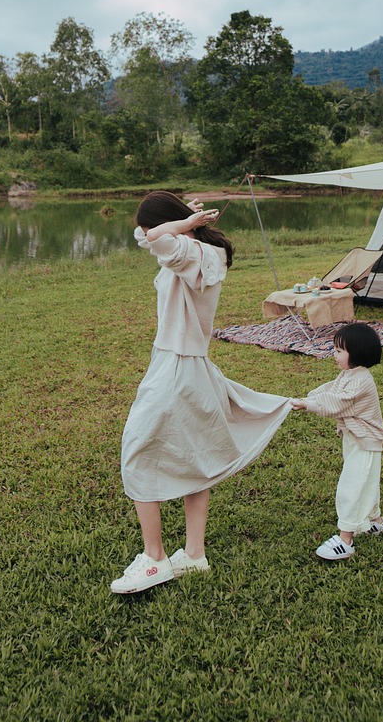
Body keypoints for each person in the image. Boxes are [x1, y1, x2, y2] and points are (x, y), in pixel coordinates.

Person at [111, 191, 291, 595]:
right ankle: (194, 554)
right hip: (182, 364)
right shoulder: (191, 247)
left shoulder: (194, 253)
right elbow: (148, 237)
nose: (145, 233)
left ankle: (155, 559)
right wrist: (186, 220)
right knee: (193, 457)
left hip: (177, 366)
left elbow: (155, 237)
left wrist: (183, 224)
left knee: (136, 453)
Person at [290, 321, 383, 562]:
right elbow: (331, 389)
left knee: (351, 486)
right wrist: (308, 398)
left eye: (339, 350)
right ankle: (376, 522)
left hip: (366, 441)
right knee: (365, 481)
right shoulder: (349, 374)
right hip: (355, 438)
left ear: (357, 353)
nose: (334, 354)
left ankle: (346, 540)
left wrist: (308, 405)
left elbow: (337, 402)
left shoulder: (362, 381)